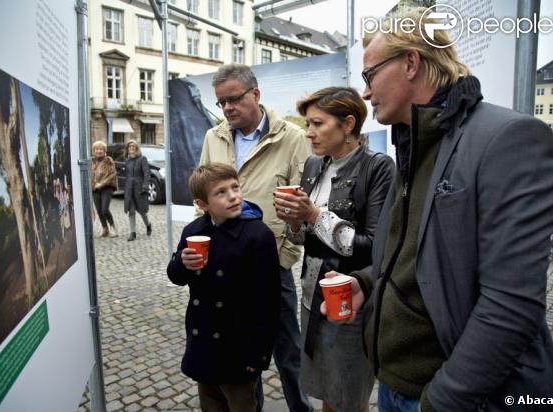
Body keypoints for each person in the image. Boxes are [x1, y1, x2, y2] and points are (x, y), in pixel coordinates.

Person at [320, 7, 553, 412]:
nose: (364, 92)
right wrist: (365, 283)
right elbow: (417, 258)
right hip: (397, 386)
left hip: (451, 398)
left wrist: (442, 401)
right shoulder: (413, 141)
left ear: (411, 63)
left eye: (369, 75)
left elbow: (511, 306)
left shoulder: (509, 138)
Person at [273, 87, 394, 412]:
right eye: (307, 124)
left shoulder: (377, 168)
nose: (308, 132)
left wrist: (312, 214)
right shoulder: (314, 165)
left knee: (349, 395)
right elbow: (302, 241)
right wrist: (294, 220)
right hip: (313, 297)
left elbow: (373, 246)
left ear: (348, 124)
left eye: (317, 123)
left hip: (350, 299)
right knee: (327, 389)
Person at [200, 64, 313, 411]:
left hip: (271, 265)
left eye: (234, 99)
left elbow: (305, 205)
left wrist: (285, 253)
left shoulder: (292, 138)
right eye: (222, 102)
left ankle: (300, 408)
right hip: (227, 265)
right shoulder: (213, 137)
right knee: (242, 353)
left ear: (256, 94)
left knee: (288, 351)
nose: (228, 108)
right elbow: (202, 194)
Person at [167, 163, 280, 412]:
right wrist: (182, 263)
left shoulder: (258, 235)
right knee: (211, 405)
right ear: (202, 203)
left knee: (242, 405)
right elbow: (176, 277)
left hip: (238, 347)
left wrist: (258, 356)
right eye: (221, 192)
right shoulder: (193, 231)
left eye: (235, 187)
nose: (233, 196)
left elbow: (268, 301)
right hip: (204, 343)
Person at [123, 140, 152, 241]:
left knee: (142, 211)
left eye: (133, 146)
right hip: (129, 189)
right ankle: (133, 233)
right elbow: (126, 175)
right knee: (131, 211)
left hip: (139, 188)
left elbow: (147, 174)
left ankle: (148, 225)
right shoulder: (127, 161)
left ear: (137, 148)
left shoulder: (142, 159)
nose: (131, 148)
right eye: (129, 147)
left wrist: (145, 186)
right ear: (127, 149)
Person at [91, 140, 118, 237]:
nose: (99, 151)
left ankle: (112, 227)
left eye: (101, 149)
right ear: (94, 150)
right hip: (95, 189)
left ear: (104, 150)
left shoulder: (108, 160)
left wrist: (101, 184)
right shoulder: (92, 161)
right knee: (99, 210)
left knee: (104, 209)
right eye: (97, 149)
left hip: (107, 188)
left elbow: (112, 174)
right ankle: (105, 228)